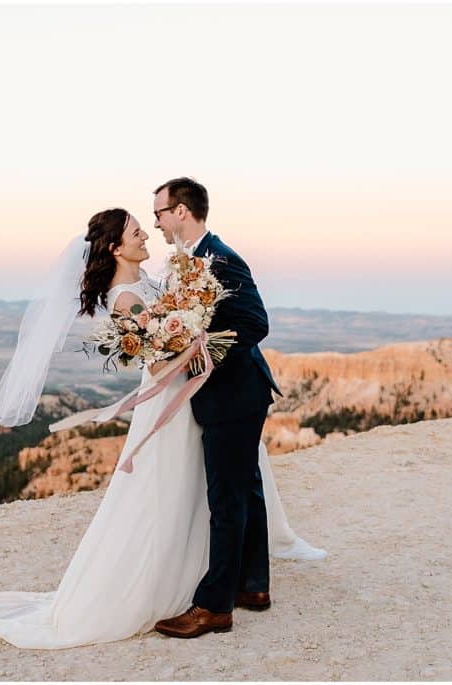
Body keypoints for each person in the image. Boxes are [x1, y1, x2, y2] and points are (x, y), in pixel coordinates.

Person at [0, 204, 325, 650]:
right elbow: (161, 359)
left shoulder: (141, 283)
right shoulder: (124, 297)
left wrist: (194, 332)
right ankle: (176, 586)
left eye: (146, 228)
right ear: (115, 247)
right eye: (136, 232)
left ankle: (228, 580)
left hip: (190, 395)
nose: (146, 235)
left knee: (209, 487)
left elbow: (174, 329)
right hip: (172, 398)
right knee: (168, 491)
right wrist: (194, 343)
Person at [151, 177, 282, 639]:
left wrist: (200, 354)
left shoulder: (221, 259)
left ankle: (214, 606)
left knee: (225, 498)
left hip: (232, 393)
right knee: (245, 489)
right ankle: (253, 586)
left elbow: (255, 323)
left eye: (160, 214)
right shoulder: (193, 262)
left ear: (182, 211)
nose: (158, 224)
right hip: (238, 395)